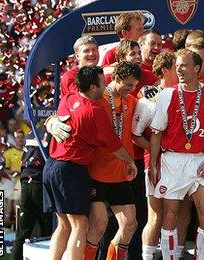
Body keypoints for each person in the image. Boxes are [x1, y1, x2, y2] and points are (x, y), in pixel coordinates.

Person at [43, 66, 137, 260]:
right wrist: (130, 161)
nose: (105, 85)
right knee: (80, 226)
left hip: (51, 166)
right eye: (102, 83)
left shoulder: (69, 99)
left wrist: (50, 121)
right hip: (71, 169)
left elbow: (57, 115)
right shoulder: (95, 112)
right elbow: (115, 146)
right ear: (93, 87)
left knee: (64, 225)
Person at [149, 49, 204, 260]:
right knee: (170, 215)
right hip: (173, 160)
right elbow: (156, 133)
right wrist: (154, 165)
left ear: (197, 68)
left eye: (184, 65)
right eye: (177, 65)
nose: (180, 70)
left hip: (201, 159)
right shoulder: (167, 95)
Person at [83, 61, 141, 260]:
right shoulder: (99, 98)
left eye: (134, 85)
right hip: (96, 172)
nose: (131, 89)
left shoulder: (132, 101)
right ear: (116, 78)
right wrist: (52, 120)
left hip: (120, 173)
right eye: (128, 84)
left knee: (130, 224)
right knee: (98, 226)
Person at [134, 52, 177, 260]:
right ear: (166, 71)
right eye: (177, 68)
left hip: (180, 163)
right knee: (156, 216)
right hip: (156, 164)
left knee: (177, 215)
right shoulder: (148, 100)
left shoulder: (184, 94)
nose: (183, 71)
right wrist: (155, 150)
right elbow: (135, 135)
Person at [10, 136, 52, 260]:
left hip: (26, 183)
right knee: (47, 231)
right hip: (40, 184)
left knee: (22, 232)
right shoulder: (50, 134)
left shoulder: (31, 134)